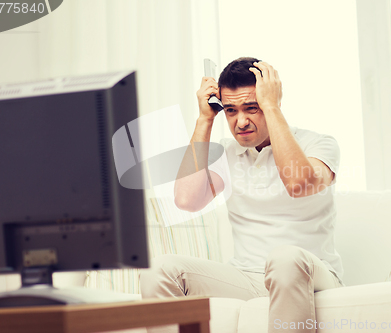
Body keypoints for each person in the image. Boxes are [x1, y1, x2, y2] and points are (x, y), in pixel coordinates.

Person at [140, 57, 344, 333]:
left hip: (310, 274)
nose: (241, 121)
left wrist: (270, 105)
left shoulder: (318, 143)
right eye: (231, 110)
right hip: (247, 277)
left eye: (252, 108)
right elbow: (186, 200)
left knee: (284, 258)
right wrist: (205, 119)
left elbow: (298, 185)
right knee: (160, 269)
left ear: (273, 101)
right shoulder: (226, 153)